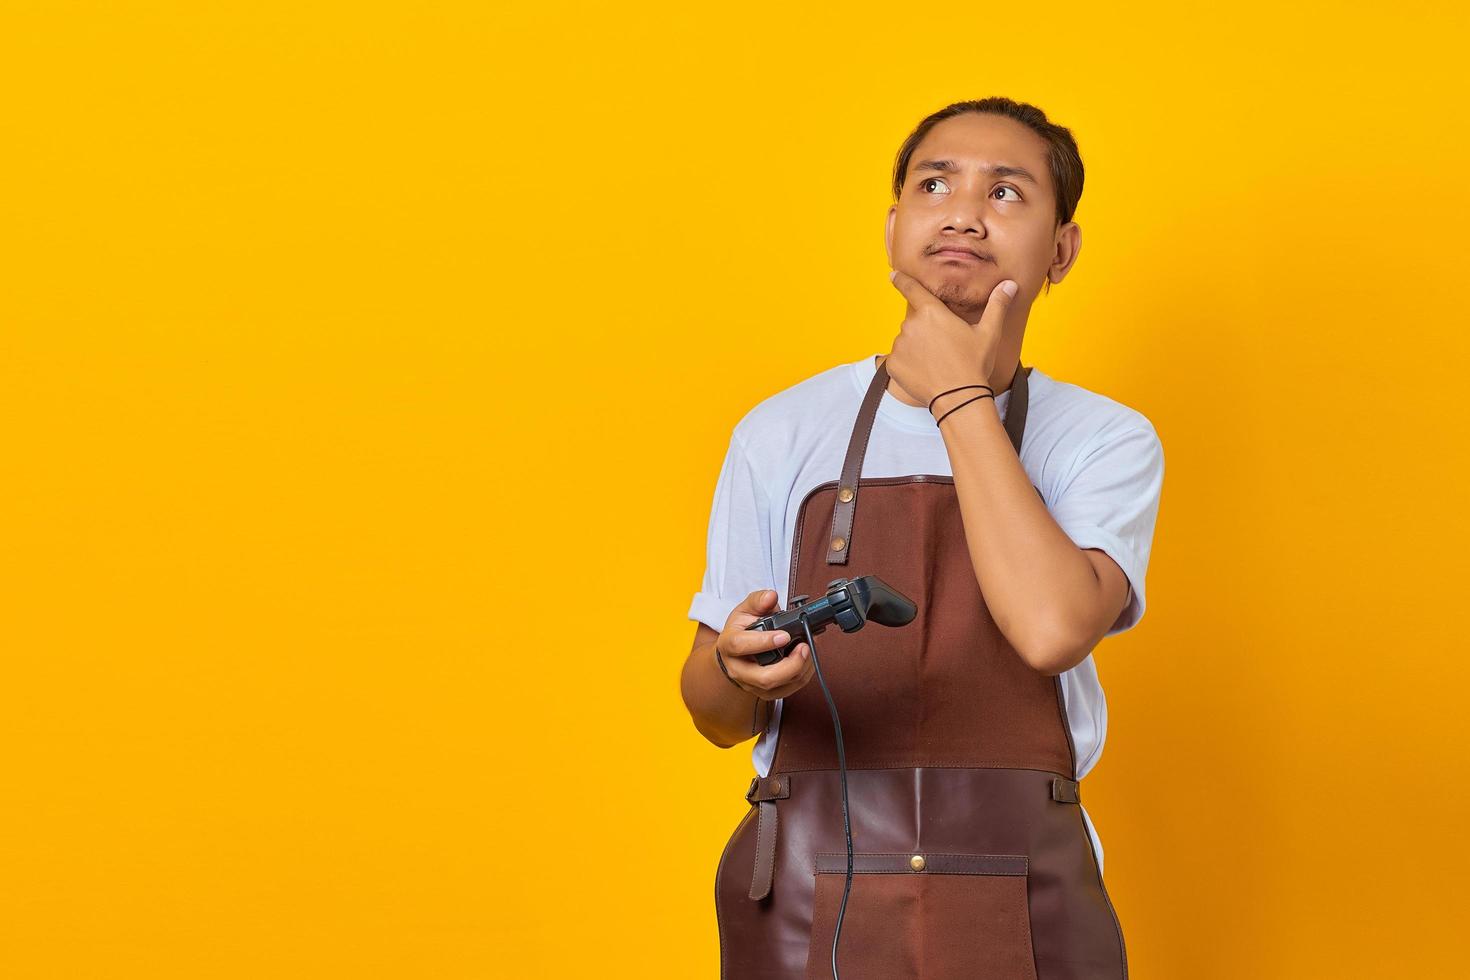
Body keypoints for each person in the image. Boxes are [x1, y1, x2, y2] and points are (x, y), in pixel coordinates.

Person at [679, 97, 1164, 979]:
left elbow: (1052, 629)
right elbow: (714, 713)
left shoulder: (1105, 438)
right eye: (934, 182)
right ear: (896, 223)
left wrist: (958, 397)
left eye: (1007, 192)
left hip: (1026, 891)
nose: (964, 212)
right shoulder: (781, 430)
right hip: (804, 890)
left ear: (1062, 251)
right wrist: (734, 668)